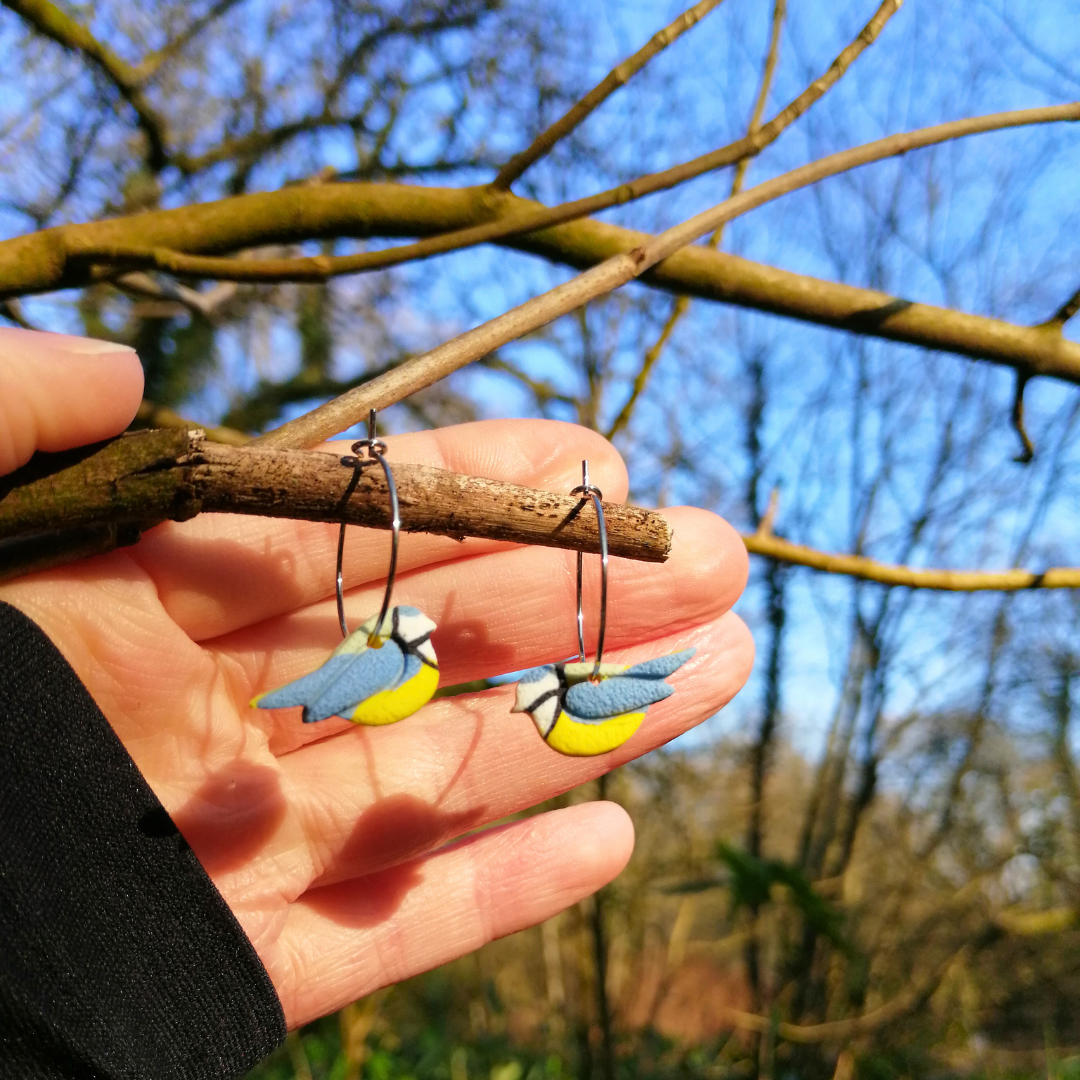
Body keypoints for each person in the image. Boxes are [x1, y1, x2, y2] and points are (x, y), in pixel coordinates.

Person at [0, 327, 753, 1078]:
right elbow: (333, 692)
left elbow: (633, 689)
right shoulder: (405, 667)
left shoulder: (558, 697)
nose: (529, 702)